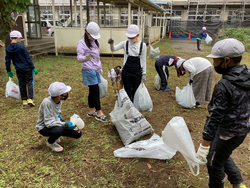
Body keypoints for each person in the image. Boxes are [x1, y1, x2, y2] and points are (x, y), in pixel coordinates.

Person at [196, 38, 249, 188]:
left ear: (227, 60)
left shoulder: (224, 85)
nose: (214, 65)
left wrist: (204, 145)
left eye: (216, 61)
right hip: (241, 130)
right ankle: (238, 184)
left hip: (226, 132)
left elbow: (215, 116)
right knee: (222, 155)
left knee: (213, 164)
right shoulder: (247, 76)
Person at [77, 22, 109, 123]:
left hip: (96, 69)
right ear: (87, 32)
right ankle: (99, 113)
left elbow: (97, 56)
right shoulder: (81, 43)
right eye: (92, 35)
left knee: (92, 91)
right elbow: (79, 58)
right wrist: (86, 58)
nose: (94, 37)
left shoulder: (95, 41)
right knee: (95, 91)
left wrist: (100, 67)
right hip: (88, 69)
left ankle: (91, 111)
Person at [36, 82, 82, 152]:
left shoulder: (59, 100)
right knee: (58, 130)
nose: (67, 94)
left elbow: (57, 114)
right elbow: (48, 123)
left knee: (78, 133)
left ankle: (56, 135)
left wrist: (62, 120)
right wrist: (65, 124)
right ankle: (50, 142)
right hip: (44, 127)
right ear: (59, 96)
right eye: (65, 93)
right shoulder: (47, 102)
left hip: (55, 121)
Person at [107, 24, 147, 101]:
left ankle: (134, 107)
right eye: (129, 37)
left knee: (135, 91)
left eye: (132, 37)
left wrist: (144, 73)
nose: (130, 38)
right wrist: (111, 44)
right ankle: (128, 107)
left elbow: (143, 60)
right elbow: (113, 49)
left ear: (137, 35)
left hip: (137, 72)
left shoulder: (143, 45)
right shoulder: (125, 43)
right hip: (127, 72)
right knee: (127, 91)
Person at [5, 30, 38, 106]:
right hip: (27, 68)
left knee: (21, 83)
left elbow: (7, 60)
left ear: (10, 38)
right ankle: (30, 99)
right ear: (18, 38)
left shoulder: (8, 48)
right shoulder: (21, 47)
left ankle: (24, 100)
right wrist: (33, 67)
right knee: (29, 82)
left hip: (18, 69)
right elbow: (27, 58)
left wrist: (8, 70)